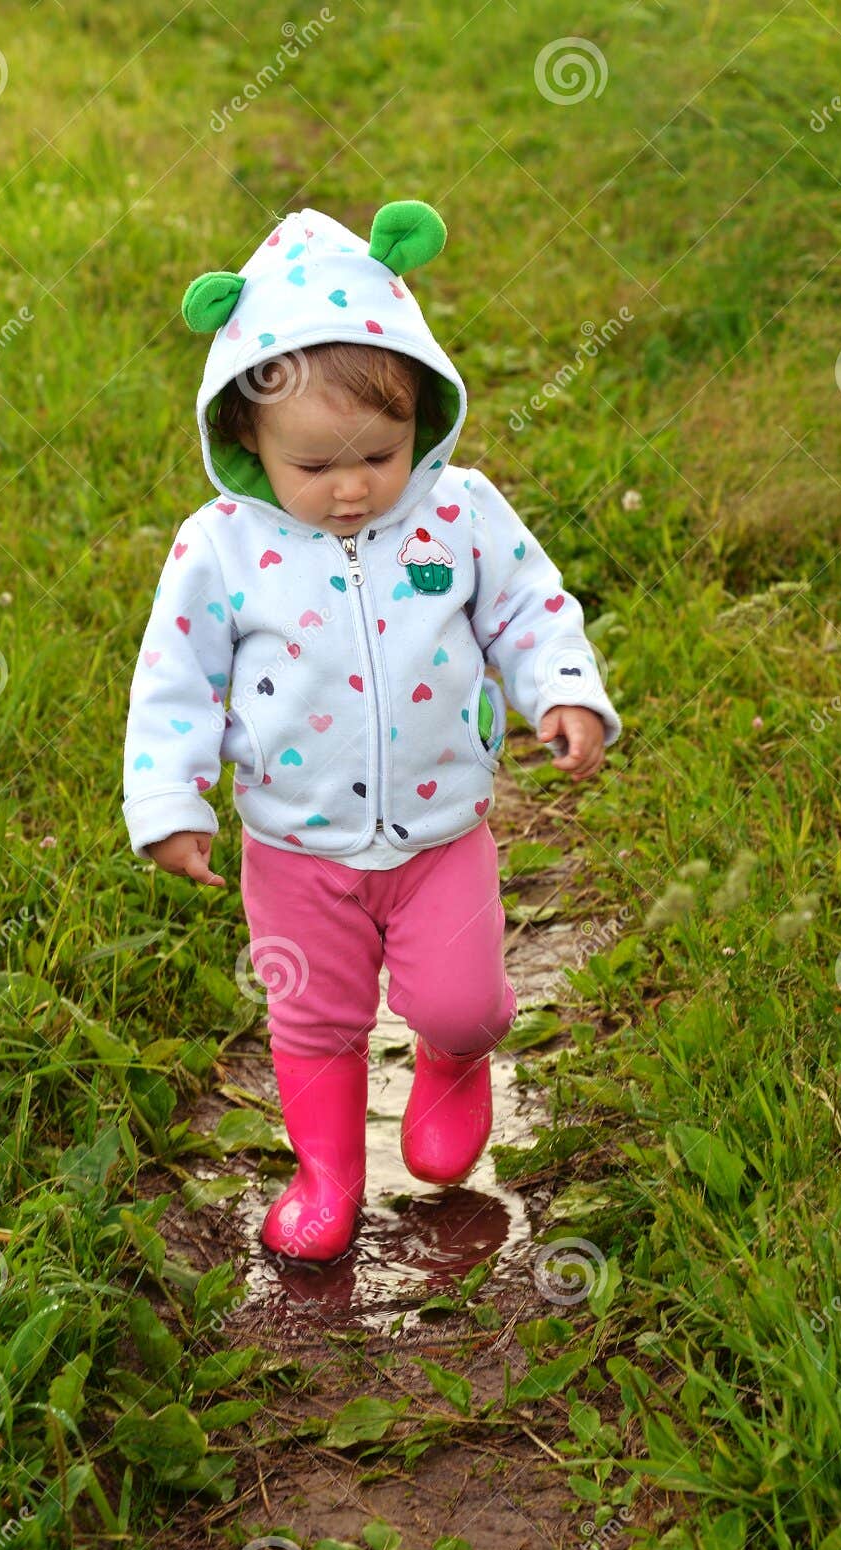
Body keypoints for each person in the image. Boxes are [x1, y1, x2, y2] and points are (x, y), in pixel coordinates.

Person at [122, 199, 623, 1262]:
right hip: (296, 847)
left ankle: (451, 1058)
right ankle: (327, 1178)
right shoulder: (219, 548)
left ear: (424, 419)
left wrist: (564, 688)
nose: (351, 490)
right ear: (246, 441)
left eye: (380, 455)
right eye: (313, 468)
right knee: (314, 1020)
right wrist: (168, 799)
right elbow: (174, 679)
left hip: (443, 834)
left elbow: (529, 609)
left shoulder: (463, 512)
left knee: (468, 998)